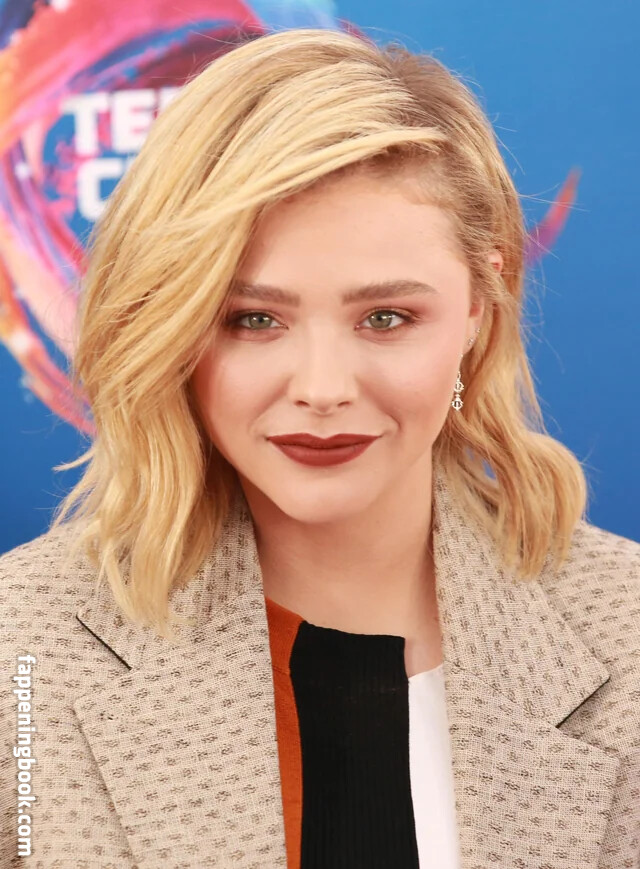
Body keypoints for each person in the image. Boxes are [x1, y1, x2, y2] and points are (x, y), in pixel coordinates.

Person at [1, 26, 639, 869]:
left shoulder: (624, 623)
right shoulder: (22, 644)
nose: (323, 387)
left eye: (386, 317)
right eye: (253, 319)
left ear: (478, 310)